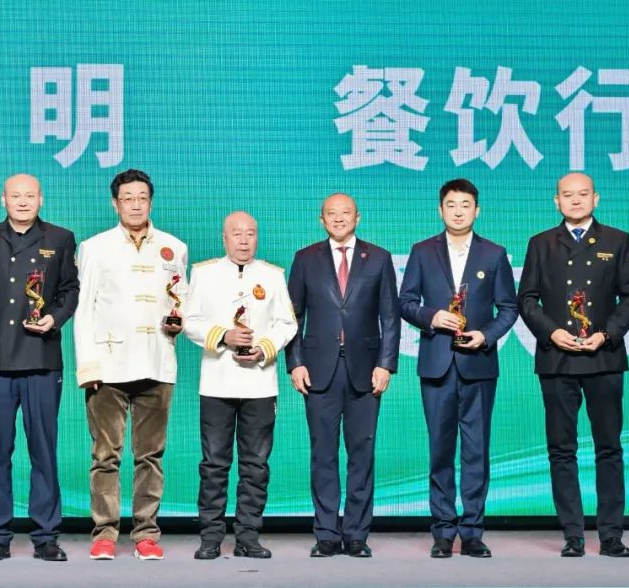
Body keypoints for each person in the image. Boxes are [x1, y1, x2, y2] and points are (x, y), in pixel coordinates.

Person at [517, 172, 629, 559]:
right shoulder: (540, 243)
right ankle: (572, 534)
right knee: (561, 449)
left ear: (596, 198)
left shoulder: (617, 240)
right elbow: (527, 299)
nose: (575, 200)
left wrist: (607, 334)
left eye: (583, 194)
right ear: (556, 201)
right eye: (567, 195)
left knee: (609, 448)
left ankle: (611, 535)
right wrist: (551, 333)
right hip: (557, 359)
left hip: (604, 357)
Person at [0, 173, 79, 562]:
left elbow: (70, 289)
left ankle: (46, 536)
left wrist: (55, 318)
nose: (23, 201)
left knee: (43, 449)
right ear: (3, 199)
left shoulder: (60, 238)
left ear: (41, 199)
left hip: (41, 357)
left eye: (30, 195)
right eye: (16, 195)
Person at [73, 169, 188, 561]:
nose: (135, 205)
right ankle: (104, 532)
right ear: (115, 203)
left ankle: (146, 533)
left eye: (142, 198)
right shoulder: (95, 248)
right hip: (108, 366)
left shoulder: (174, 247)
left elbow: (181, 299)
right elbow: (84, 309)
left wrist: (180, 319)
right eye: (128, 198)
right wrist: (88, 366)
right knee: (105, 455)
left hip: (157, 361)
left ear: (150, 202)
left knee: (150, 455)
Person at [399, 178, 518, 559]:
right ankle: (442, 531)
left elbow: (509, 308)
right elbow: (405, 302)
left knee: (476, 452)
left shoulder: (494, 254)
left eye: (465, 205)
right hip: (437, 364)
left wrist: (486, 335)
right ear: (440, 210)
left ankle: (472, 532)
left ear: (477, 210)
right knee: (440, 450)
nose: (458, 211)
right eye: (451, 204)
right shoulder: (422, 251)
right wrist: (432, 317)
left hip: (478, 365)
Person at [285, 193, 399, 558]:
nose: (338, 218)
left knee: (362, 454)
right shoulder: (305, 258)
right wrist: (295, 362)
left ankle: (356, 535)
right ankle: (326, 534)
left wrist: (386, 364)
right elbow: (292, 317)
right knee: (323, 454)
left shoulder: (378, 258)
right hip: (318, 370)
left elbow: (390, 317)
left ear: (358, 217)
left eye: (345, 213)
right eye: (331, 214)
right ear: (321, 220)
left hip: (366, 370)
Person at [183, 212, 298, 560]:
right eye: (237, 234)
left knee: (256, 465)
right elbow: (190, 321)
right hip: (217, 383)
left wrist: (264, 347)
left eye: (250, 233)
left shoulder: (272, 275)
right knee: (214, 464)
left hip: (260, 384)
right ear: (224, 238)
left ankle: (248, 536)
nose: (244, 240)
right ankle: (210, 537)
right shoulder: (204, 273)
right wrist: (224, 336)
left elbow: (287, 323)